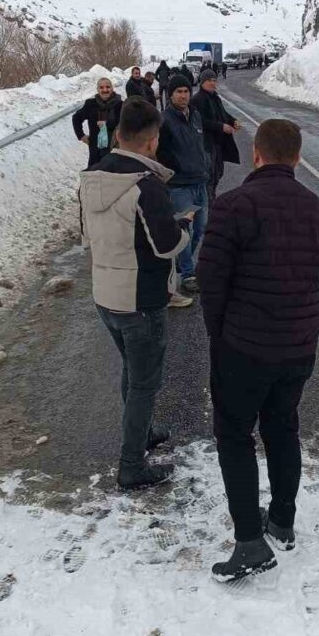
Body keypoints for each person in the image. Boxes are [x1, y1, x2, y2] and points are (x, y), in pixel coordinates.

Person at [197, 119, 319, 582]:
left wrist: (220, 336)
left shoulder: (232, 206)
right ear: (297, 157)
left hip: (243, 348)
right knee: (283, 428)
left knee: (235, 435)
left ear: (255, 154)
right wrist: (298, 312)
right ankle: (281, 519)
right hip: (298, 350)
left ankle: (249, 542)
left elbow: (211, 284)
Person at [79, 98, 194, 490]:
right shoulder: (146, 186)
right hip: (141, 299)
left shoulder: (92, 178)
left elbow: (90, 236)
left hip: (105, 294)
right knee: (145, 381)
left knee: (132, 369)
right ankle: (132, 466)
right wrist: (185, 229)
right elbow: (166, 245)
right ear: (151, 142)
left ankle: (140, 433)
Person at [156, 75, 210, 296]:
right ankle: (188, 274)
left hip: (199, 181)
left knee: (200, 228)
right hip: (180, 186)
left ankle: (182, 261)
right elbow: (161, 151)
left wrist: (204, 162)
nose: (183, 95)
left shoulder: (195, 115)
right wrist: (176, 167)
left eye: (186, 91)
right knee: (184, 231)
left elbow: (200, 144)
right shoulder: (164, 120)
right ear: (170, 94)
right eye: (178, 91)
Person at [191, 69, 240, 204]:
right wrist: (221, 127)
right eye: (209, 81)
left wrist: (232, 121)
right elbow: (200, 122)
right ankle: (207, 204)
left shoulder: (215, 97)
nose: (213, 83)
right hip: (206, 144)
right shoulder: (197, 100)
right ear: (202, 82)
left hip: (218, 143)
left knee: (218, 173)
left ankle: (210, 199)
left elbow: (222, 114)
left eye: (214, 80)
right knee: (209, 176)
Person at [72, 77, 123, 168]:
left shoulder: (120, 105)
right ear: (97, 89)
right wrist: (81, 136)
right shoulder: (91, 104)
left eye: (108, 87)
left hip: (116, 150)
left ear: (112, 88)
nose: (105, 90)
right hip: (96, 152)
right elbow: (76, 118)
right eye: (101, 87)